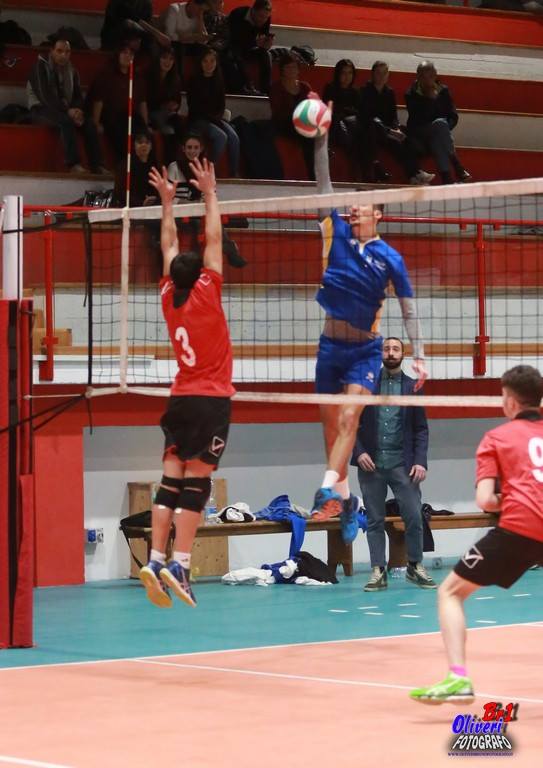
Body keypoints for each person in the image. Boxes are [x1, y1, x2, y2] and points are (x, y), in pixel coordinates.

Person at [310, 118, 428, 545]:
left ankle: (327, 488)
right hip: (330, 348)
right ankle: (345, 500)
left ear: (378, 214)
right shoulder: (335, 232)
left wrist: (419, 353)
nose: (355, 208)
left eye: (364, 205)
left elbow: (408, 306)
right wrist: (321, 138)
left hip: (364, 351)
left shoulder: (390, 258)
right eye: (354, 204)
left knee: (349, 418)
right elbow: (322, 185)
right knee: (331, 429)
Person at [410, 364, 543, 704]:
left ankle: (458, 678)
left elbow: (485, 500)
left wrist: (511, 498)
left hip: (521, 528)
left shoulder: (496, 438)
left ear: (510, 402)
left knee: (450, 592)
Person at [139, 158, 235, 608]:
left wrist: (167, 202)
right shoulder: (206, 291)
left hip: (178, 399)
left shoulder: (168, 296)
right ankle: (180, 563)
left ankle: (155, 558)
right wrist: (210, 193)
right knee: (198, 485)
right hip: (209, 401)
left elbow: (168, 243)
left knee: (170, 482)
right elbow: (212, 239)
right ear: (198, 275)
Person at [351, 337, 434, 591]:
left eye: (395, 349)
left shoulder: (413, 388)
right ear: (381, 354)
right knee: (374, 521)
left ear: (402, 354)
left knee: (414, 517)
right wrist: (359, 452)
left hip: (403, 465)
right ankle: (378, 570)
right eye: (386, 349)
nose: (390, 352)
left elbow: (421, 429)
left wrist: (420, 461)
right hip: (371, 465)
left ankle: (415, 566)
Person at [27, 37, 106, 174]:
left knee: (89, 123)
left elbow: (77, 96)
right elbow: (46, 97)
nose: (63, 55)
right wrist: (68, 111)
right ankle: (73, 164)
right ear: (52, 51)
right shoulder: (39, 67)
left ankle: (97, 165)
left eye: (67, 52)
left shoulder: (72, 70)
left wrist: (77, 111)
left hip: (65, 109)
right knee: (65, 121)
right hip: (41, 109)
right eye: (59, 51)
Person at [359, 61, 434, 186]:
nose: (381, 76)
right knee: (395, 141)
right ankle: (415, 172)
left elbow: (393, 115)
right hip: (372, 132)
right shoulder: (365, 91)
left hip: (389, 130)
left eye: (384, 73)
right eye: (378, 73)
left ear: (388, 75)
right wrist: (390, 131)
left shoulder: (389, 92)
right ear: (372, 74)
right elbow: (367, 117)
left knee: (406, 139)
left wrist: (396, 128)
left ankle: (413, 176)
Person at [405, 61, 471, 185]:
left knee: (438, 137)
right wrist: (430, 99)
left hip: (439, 132)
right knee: (440, 124)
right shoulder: (411, 93)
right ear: (417, 77)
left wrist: (444, 129)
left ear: (435, 75)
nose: (427, 80)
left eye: (430, 76)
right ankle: (456, 163)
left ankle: (447, 179)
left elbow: (453, 116)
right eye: (423, 77)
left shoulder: (443, 90)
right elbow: (419, 118)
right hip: (419, 132)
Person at [88, 43, 149, 163]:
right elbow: (98, 100)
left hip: (132, 116)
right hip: (113, 117)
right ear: (118, 55)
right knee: (122, 134)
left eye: (131, 54)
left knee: (145, 135)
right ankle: (124, 164)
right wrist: (96, 123)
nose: (127, 56)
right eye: (124, 53)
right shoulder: (106, 74)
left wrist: (145, 125)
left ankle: (146, 166)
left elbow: (142, 102)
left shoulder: (137, 76)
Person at [187, 46, 240, 176]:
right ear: (200, 63)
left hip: (215, 118)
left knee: (234, 137)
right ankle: (208, 171)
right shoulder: (194, 81)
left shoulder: (219, 80)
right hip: (199, 119)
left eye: (212, 61)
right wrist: (214, 119)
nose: (209, 64)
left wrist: (217, 118)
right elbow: (194, 107)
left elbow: (221, 105)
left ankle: (233, 173)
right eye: (205, 61)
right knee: (221, 136)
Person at [269, 53, 314, 180]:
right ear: (282, 70)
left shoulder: (305, 87)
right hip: (283, 123)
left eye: (294, 67)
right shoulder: (276, 87)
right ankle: (312, 176)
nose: (291, 70)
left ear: (298, 69)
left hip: (302, 122)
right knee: (308, 134)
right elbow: (278, 112)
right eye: (287, 67)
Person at [322, 59, 363, 180]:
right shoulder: (330, 88)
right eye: (344, 73)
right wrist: (346, 110)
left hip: (351, 124)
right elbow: (329, 108)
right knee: (337, 120)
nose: (347, 76)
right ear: (338, 74)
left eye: (350, 73)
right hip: (335, 124)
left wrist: (345, 111)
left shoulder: (355, 91)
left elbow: (359, 111)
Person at [227, 0, 273, 94]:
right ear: (253, 10)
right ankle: (245, 86)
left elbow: (263, 36)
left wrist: (266, 44)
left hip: (250, 47)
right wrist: (254, 43)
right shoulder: (238, 14)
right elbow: (234, 39)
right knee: (236, 53)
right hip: (233, 47)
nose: (263, 20)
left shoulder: (266, 18)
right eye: (260, 16)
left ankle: (265, 90)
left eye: (266, 17)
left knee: (266, 55)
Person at [146, 46, 183, 158]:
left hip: (168, 114)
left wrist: (174, 105)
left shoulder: (175, 79)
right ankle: (168, 162)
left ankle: (183, 161)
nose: (168, 62)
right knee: (169, 131)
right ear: (158, 58)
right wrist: (163, 105)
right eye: (164, 58)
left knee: (180, 125)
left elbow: (178, 100)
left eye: (171, 59)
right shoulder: (149, 76)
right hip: (152, 113)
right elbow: (145, 101)